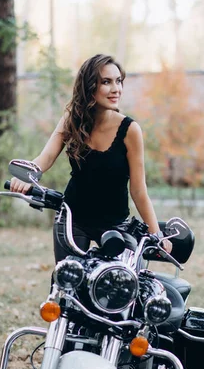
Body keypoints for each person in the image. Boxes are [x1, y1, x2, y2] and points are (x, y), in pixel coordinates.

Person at [10, 53, 172, 261]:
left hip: (116, 224)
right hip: (72, 218)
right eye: (106, 82)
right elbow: (46, 158)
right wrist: (25, 177)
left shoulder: (130, 130)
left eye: (118, 81)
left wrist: (156, 234)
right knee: (69, 281)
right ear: (89, 87)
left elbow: (139, 190)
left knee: (122, 285)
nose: (116, 89)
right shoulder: (72, 120)